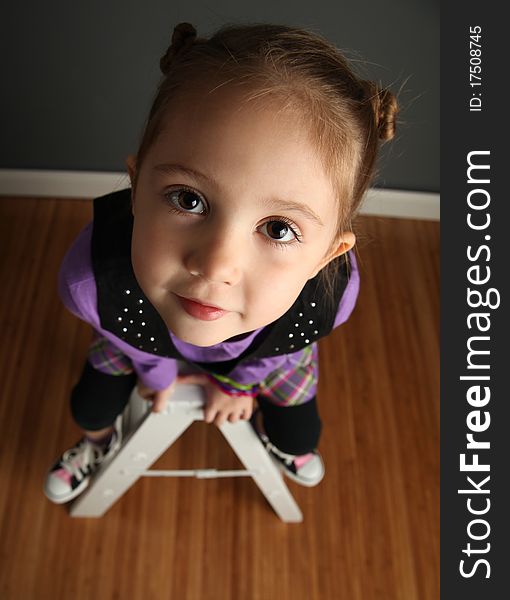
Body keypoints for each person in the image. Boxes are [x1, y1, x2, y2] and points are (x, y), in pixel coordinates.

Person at [44, 22, 398, 504]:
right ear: (136, 189)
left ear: (326, 256)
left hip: (269, 354)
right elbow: (123, 335)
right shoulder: (91, 281)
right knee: (89, 406)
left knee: (300, 433)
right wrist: (158, 377)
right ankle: (97, 445)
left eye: (278, 229)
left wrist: (237, 386)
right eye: (188, 200)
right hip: (136, 339)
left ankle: (284, 446)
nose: (216, 266)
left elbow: (276, 352)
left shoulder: (325, 301)